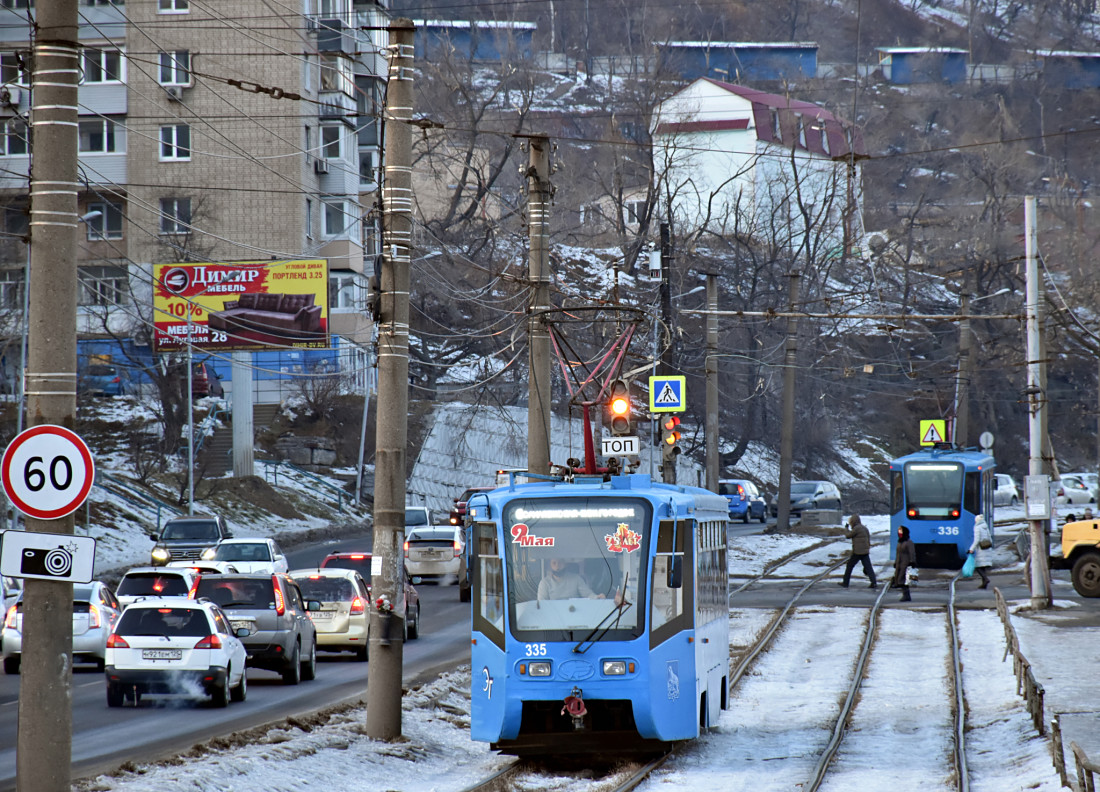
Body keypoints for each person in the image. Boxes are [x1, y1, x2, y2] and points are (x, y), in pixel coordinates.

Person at [537, 558, 606, 601]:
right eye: (554, 563)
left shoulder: (576, 579)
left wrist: (597, 597)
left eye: (560, 562)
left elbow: (588, 595)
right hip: (554, 617)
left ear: (565, 564)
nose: (557, 566)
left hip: (575, 613)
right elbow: (542, 604)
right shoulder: (544, 583)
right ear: (550, 565)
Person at [838, 514, 877, 589]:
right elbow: (868, 538)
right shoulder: (864, 528)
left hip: (858, 552)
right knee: (869, 567)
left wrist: (846, 528)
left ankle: (845, 582)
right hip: (865, 551)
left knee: (849, 566)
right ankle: (874, 582)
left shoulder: (856, 529)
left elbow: (848, 535)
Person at [968, 515, 993, 589]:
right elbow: (990, 538)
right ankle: (984, 584)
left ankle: (985, 579)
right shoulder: (985, 526)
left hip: (981, 550)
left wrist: (971, 549)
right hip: (987, 548)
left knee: (978, 566)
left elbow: (977, 540)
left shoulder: (977, 527)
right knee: (983, 567)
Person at [893, 525, 916, 602]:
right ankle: (905, 595)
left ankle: (906, 595)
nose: (899, 534)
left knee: (904, 580)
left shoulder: (909, 542)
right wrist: (896, 562)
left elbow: (912, 553)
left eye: (901, 532)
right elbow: (898, 553)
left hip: (906, 563)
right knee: (900, 579)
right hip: (900, 563)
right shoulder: (900, 542)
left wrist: (912, 561)